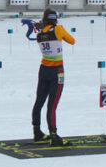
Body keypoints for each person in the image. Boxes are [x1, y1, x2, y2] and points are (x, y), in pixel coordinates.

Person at [31, 9, 75, 147]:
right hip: (57, 71)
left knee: (39, 102)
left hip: (43, 69)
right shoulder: (58, 29)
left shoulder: (40, 33)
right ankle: (54, 135)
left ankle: (37, 132)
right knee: (52, 105)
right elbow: (72, 41)